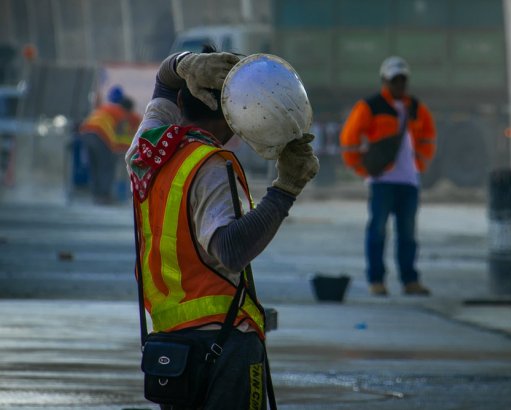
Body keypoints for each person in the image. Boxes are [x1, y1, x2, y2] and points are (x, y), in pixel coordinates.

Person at [126, 48, 318, 409]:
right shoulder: (212, 164)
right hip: (225, 343)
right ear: (235, 118)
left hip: (171, 343)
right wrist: (285, 190)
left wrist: (184, 63)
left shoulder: (147, 151)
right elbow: (230, 251)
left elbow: (164, 84)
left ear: (183, 98)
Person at [339, 56, 437, 296]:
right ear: (385, 81)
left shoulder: (416, 107)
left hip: (409, 182)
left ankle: (409, 280)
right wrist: (363, 169)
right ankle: (376, 280)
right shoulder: (370, 106)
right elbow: (348, 140)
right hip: (383, 182)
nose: (399, 85)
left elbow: (428, 137)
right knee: (378, 231)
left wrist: (419, 165)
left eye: (402, 80)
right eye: (395, 80)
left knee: (408, 234)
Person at [78, 85, 140, 204]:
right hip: (100, 135)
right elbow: (123, 135)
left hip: (85, 133)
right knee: (106, 166)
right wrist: (128, 148)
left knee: (94, 166)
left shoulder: (107, 108)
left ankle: (96, 195)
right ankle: (104, 196)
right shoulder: (123, 114)